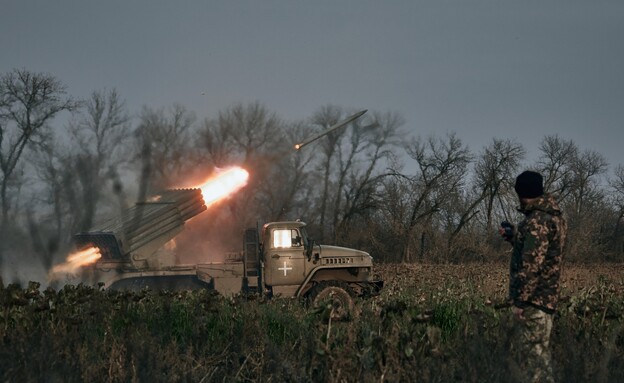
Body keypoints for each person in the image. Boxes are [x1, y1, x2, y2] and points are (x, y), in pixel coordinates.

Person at [500, 170, 567, 383]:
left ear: (522, 193)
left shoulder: (536, 221)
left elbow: (531, 266)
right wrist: (515, 237)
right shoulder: (553, 217)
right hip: (546, 300)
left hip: (534, 302)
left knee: (532, 365)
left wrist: (520, 302)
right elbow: (541, 252)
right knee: (540, 360)